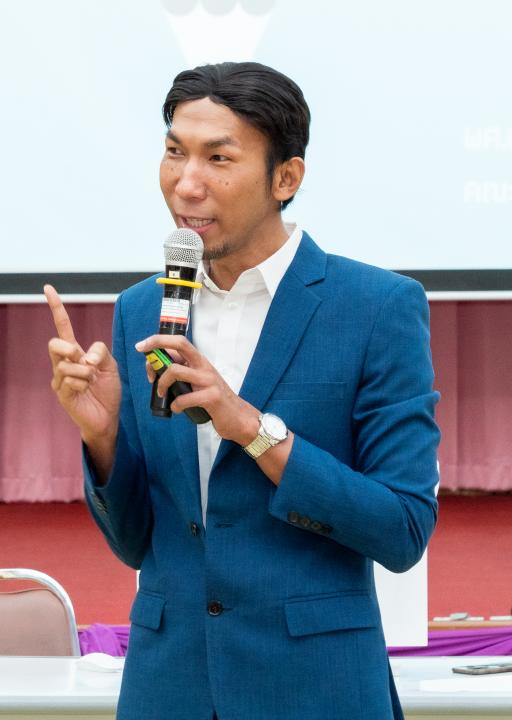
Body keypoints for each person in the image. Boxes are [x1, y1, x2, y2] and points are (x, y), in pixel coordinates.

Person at [45, 61, 440, 720]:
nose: (186, 182)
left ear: (286, 178)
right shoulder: (142, 309)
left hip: (314, 691)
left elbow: (401, 530)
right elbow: (137, 544)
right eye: (175, 152)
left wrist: (254, 431)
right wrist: (103, 438)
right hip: (170, 690)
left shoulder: (375, 308)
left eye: (218, 158)